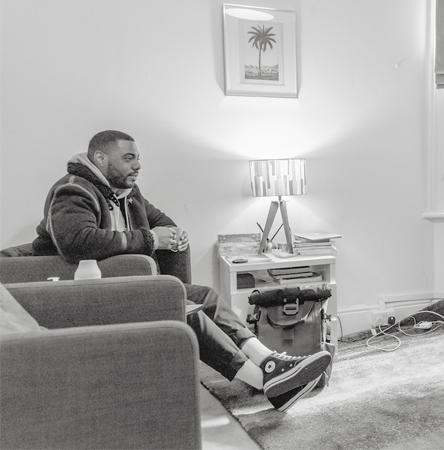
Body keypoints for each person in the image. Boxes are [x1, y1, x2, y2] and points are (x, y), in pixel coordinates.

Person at [32, 130, 329, 411]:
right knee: (187, 310)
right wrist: (151, 239)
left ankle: (269, 363)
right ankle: (268, 382)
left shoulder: (127, 193)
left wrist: (175, 234)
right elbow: (76, 241)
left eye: (138, 158)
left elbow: (162, 221)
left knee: (206, 297)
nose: (137, 166)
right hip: (85, 291)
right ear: (100, 158)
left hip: (125, 282)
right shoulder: (73, 189)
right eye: (128, 158)